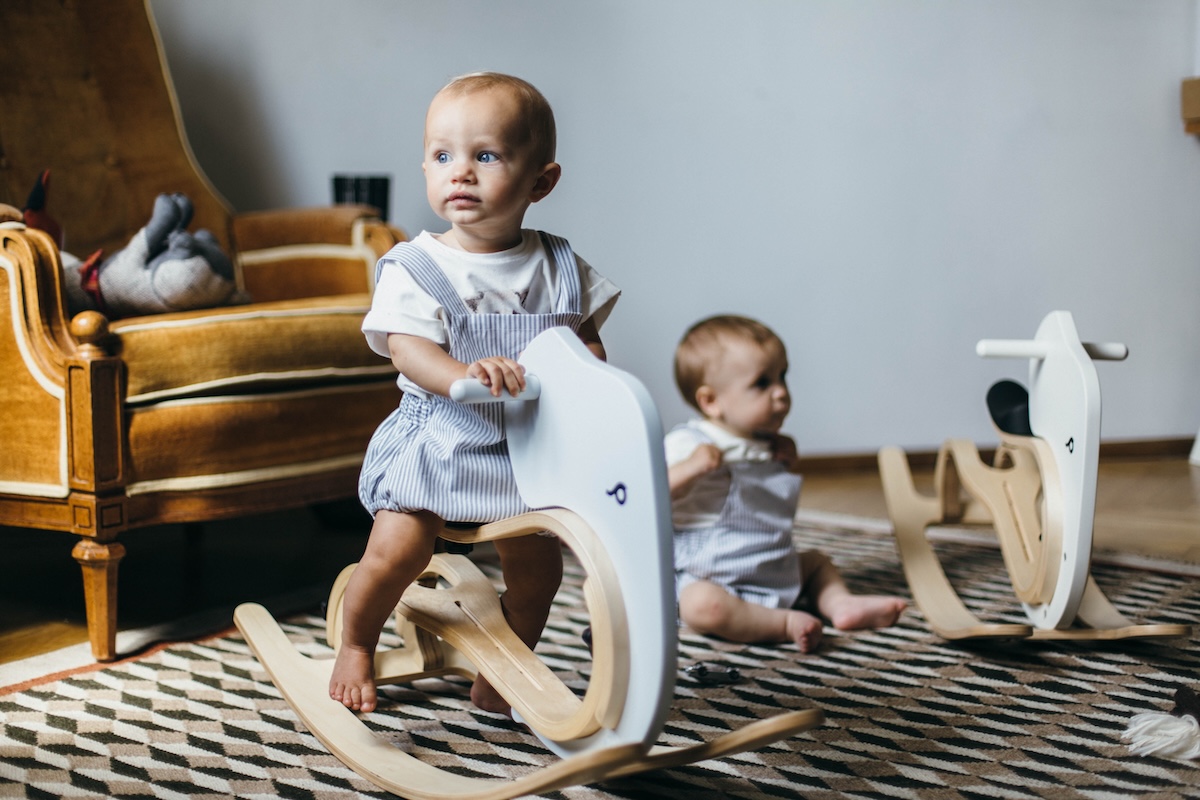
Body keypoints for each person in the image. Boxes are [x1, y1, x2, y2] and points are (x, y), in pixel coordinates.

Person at [330, 73, 620, 715]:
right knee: (397, 547)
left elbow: (589, 345)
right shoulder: (417, 266)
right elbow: (409, 351)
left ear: (540, 182)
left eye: (485, 156)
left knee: (541, 574)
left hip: (529, 450)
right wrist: (463, 371)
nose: (460, 172)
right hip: (441, 439)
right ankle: (356, 640)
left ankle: (504, 669)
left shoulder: (561, 266)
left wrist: (591, 380)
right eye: (442, 156)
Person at [667, 315, 905, 652]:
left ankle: (841, 605)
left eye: (782, 376)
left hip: (771, 563)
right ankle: (783, 623)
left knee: (817, 562)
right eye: (762, 383)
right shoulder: (690, 443)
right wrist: (691, 468)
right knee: (701, 606)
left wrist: (786, 457)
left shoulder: (767, 443)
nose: (781, 392)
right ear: (711, 402)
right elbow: (652, 496)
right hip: (712, 576)